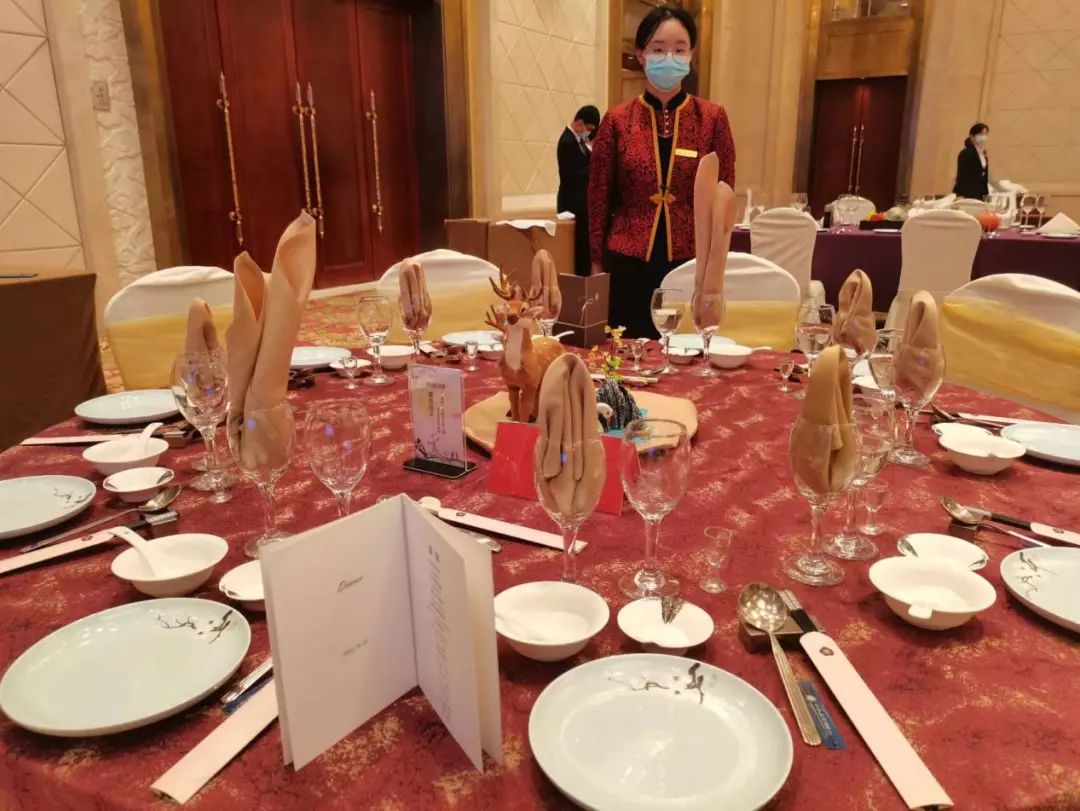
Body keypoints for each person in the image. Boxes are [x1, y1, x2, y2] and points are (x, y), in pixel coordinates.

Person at [588, 5, 735, 338]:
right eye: (658, 49)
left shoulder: (712, 119)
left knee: (685, 354)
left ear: (691, 55)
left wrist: (715, 269)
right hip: (628, 261)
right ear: (641, 55)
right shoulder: (617, 120)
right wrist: (596, 263)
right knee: (628, 353)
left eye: (679, 50)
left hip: (690, 264)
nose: (669, 57)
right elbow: (598, 197)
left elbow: (724, 197)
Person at [557, 105, 601, 276]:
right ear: (580, 123)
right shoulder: (567, 142)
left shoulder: (580, 142)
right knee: (576, 249)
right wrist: (592, 166)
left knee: (585, 247)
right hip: (572, 203)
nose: (588, 133)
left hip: (582, 203)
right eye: (588, 129)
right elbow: (569, 176)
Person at [953, 123, 990, 200]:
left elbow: (984, 175)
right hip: (966, 194)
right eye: (981, 134)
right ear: (972, 136)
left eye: (985, 134)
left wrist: (986, 193)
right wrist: (960, 195)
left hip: (979, 194)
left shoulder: (983, 153)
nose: (984, 137)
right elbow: (961, 175)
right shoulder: (965, 153)